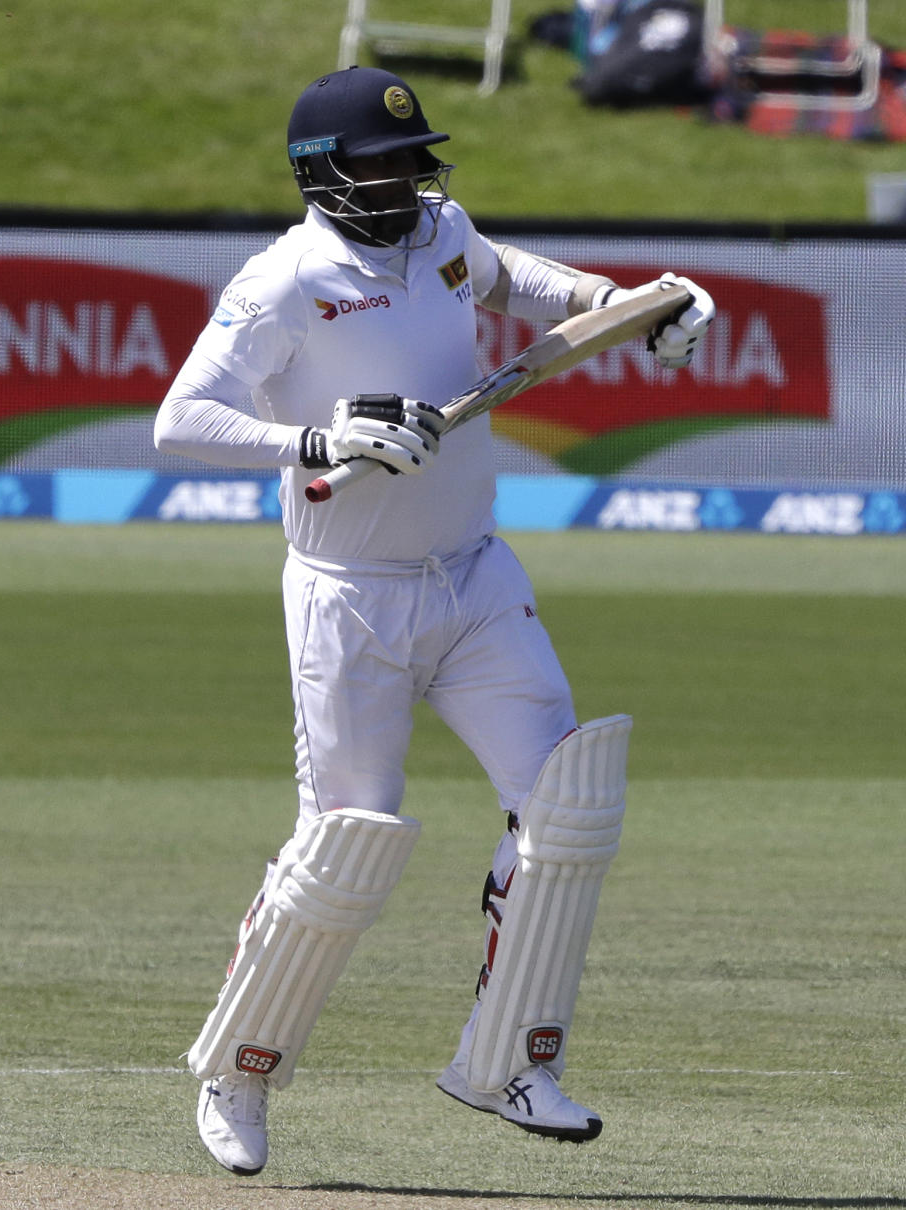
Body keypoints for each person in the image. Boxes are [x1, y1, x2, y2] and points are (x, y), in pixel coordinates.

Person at [154, 64, 714, 1176]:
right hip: (348, 595)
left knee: (570, 803)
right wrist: (318, 440)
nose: (409, 178)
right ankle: (241, 1070)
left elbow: (538, 292)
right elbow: (181, 420)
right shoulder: (286, 281)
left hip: (473, 577)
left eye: (417, 158)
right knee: (347, 842)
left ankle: (506, 1060)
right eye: (384, 163)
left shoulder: (446, 232)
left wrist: (638, 308)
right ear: (325, 174)